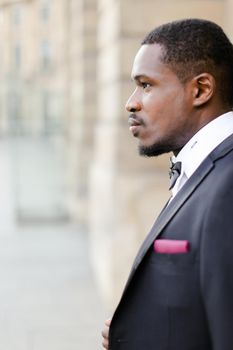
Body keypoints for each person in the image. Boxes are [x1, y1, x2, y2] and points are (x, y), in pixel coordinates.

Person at [101, 18, 233, 350]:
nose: (131, 102)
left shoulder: (229, 184)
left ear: (201, 90)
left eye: (146, 85)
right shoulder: (203, 168)